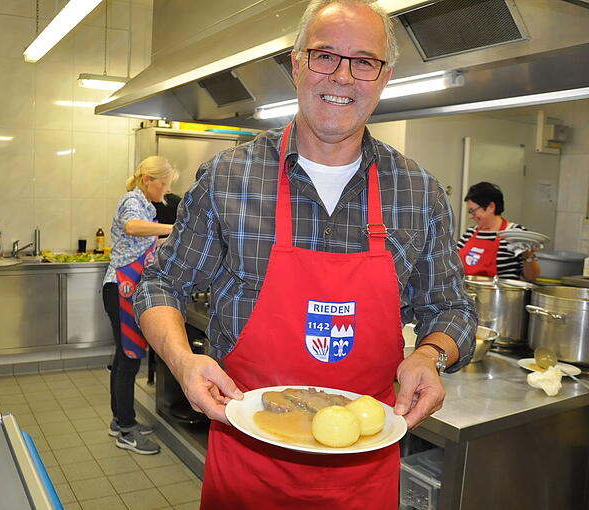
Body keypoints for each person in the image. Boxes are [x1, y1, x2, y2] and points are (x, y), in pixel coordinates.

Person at [133, 0, 477, 507]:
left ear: (384, 78)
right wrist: (184, 362)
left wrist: (430, 355)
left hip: (363, 469)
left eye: (364, 61)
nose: (343, 76)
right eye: (324, 56)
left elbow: (452, 307)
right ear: (296, 65)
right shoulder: (230, 177)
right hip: (246, 467)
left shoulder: (418, 190)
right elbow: (160, 285)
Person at [102, 155, 178, 455]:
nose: (166, 191)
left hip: (129, 288)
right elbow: (133, 228)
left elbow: (143, 243)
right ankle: (126, 430)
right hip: (122, 288)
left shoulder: (147, 205)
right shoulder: (131, 201)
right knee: (129, 358)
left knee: (124, 358)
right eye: (164, 184)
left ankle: (120, 420)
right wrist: (173, 228)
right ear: (148, 180)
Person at [458, 181, 541, 281]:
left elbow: (532, 277)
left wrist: (528, 256)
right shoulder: (469, 233)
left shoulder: (515, 233)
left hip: (500, 295)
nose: (470, 216)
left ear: (490, 207)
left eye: (472, 211)